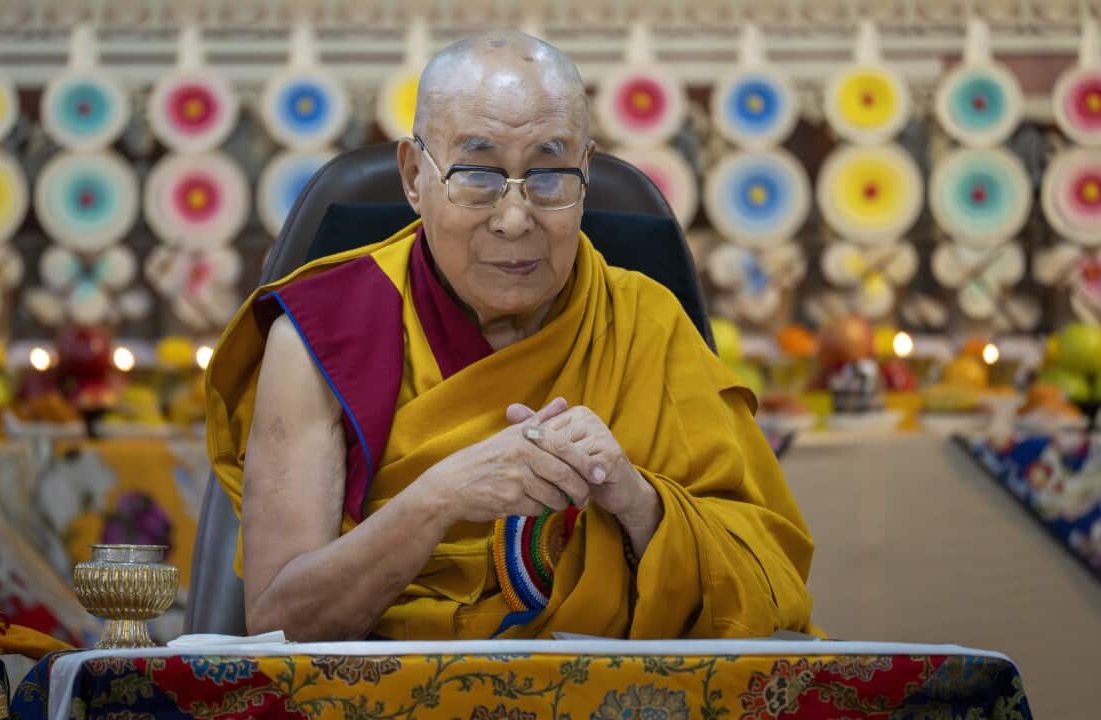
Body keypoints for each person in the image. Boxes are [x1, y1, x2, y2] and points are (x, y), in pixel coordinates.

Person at [205, 30, 815, 641]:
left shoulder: (647, 325)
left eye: (550, 176)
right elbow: (279, 624)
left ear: (585, 173)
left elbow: (772, 580)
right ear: (414, 176)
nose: (516, 219)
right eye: (477, 175)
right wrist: (440, 498)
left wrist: (637, 502)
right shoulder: (319, 338)